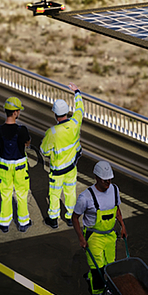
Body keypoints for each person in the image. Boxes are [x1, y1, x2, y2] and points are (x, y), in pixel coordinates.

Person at [73, 160, 128, 295]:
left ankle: (107, 292)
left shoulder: (115, 190)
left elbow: (117, 210)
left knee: (109, 268)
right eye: (105, 180)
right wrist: (81, 238)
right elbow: (75, 218)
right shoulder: (86, 198)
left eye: (110, 179)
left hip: (110, 235)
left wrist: (122, 226)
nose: (108, 183)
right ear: (96, 178)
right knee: (98, 272)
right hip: (94, 237)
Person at [40, 85, 84, 229]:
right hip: (71, 166)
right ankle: (71, 217)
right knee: (71, 191)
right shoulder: (75, 123)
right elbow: (80, 109)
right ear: (67, 112)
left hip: (58, 170)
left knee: (54, 193)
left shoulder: (52, 132)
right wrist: (77, 92)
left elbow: (44, 150)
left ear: (55, 115)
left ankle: (53, 219)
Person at [0, 96, 32, 233]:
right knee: (21, 193)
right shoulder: (22, 130)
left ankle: (4, 223)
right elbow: (26, 143)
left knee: (6, 194)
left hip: (4, 166)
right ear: (15, 112)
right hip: (20, 166)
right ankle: (23, 222)